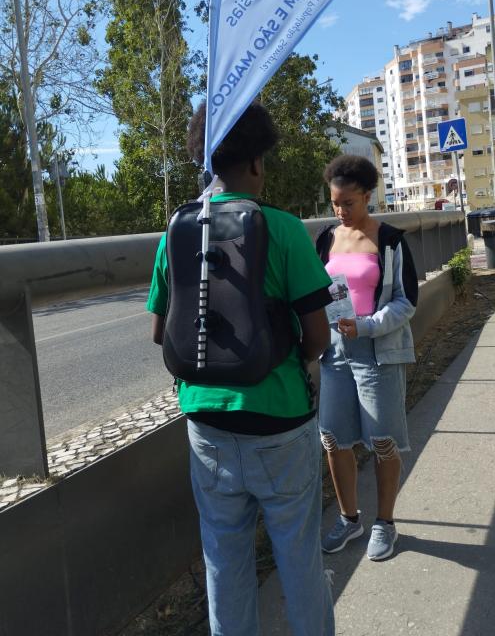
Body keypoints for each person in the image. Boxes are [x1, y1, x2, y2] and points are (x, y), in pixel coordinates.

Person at [147, 103, 335, 636]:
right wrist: (293, 360)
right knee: (298, 558)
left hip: (206, 426)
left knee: (224, 564)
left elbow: (161, 333)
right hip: (280, 423)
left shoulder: (177, 231)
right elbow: (316, 336)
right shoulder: (283, 228)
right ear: (256, 162)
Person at [316, 154, 418, 562]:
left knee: (382, 440)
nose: (342, 211)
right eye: (335, 203)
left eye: (350, 203)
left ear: (368, 196)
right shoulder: (326, 238)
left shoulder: (390, 239)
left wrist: (367, 325)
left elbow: (406, 300)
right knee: (333, 437)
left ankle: (385, 523)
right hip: (334, 352)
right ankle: (349, 517)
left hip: (377, 352)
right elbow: (315, 291)